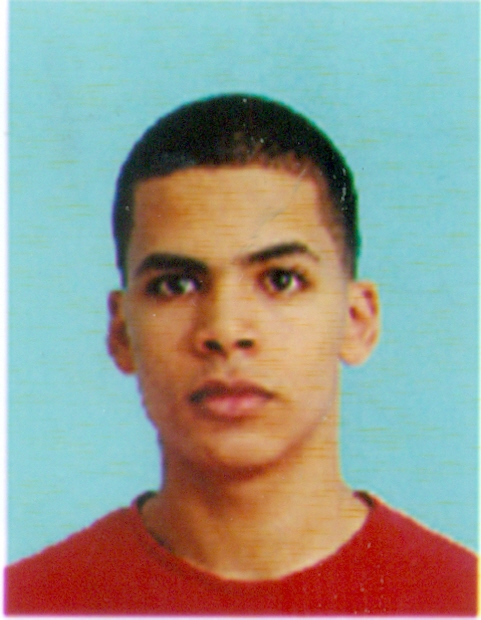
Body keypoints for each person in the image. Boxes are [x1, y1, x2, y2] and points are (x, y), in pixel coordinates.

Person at [5, 94, 477, 615]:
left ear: (356, 320)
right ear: (122, 333)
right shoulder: (30, 602)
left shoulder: (459, 598)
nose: (225, 331)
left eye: (281, 280)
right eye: (175, 285)